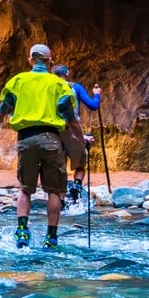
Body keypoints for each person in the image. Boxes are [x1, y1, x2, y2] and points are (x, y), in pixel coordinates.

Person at [0, 43, 77, 248]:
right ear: (50, 61)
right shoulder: (59, 84)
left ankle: (22, 231)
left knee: (25, 189)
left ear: (30, 60)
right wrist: (81, 138)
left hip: (26, 139)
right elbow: (71, 119)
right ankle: (51, 237)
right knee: (54, 191)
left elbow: (1, 111)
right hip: (51, 139)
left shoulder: (18, 81)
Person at [52, 64, 102, 200]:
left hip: (54, 130)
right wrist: (97, 95)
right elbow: (93, 105)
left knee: (60, 167)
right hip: (73, 129)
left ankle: (60, 200)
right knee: (80, 164)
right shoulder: (75, 87)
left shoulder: (49, 88)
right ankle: (77, 185)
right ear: (67, 73)